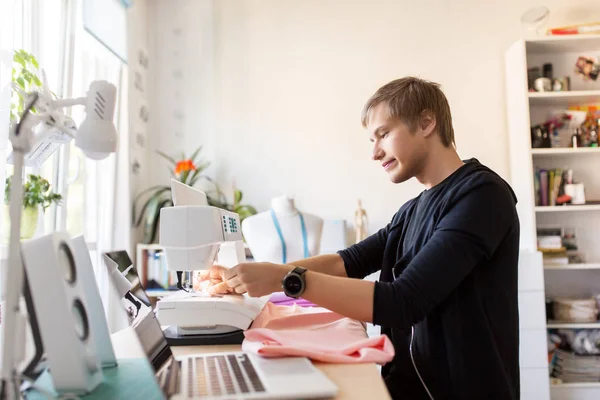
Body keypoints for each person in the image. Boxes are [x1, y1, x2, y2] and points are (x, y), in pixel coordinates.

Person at [199, 77, 520, 399]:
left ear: (426, 122)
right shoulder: (412, 210)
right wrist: (258, 275)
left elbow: (405, 301)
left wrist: (286, 279)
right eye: (372, 139)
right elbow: (347, 262)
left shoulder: (482, 196)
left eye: (384, 134)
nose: (375, 153)